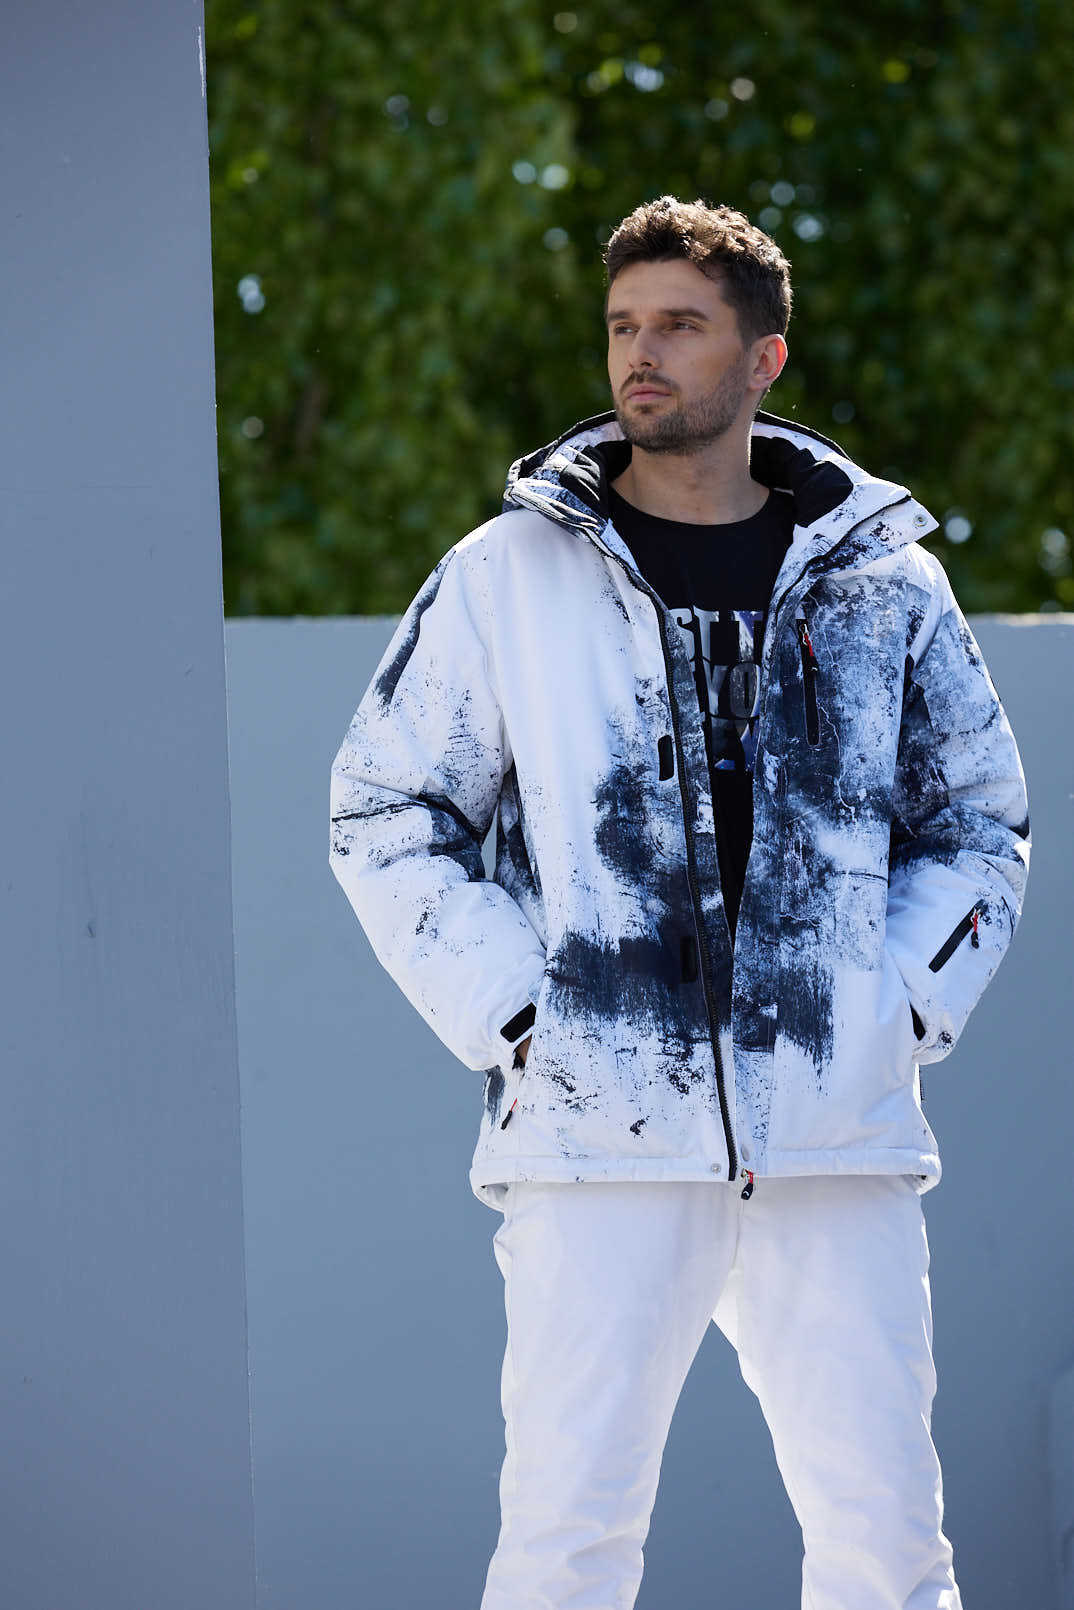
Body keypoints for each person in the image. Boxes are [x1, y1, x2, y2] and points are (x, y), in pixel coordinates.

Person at [329, 196, 1029, 1610]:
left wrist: (890, 1009)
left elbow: (977, 825)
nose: (638, 355)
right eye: (622, 326)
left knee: (889, 1548)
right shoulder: (507, 575)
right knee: (565, 1548)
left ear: (764, 358)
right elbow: (384, 812)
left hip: (833, 1137)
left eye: (679, 326)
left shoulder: (884, 584)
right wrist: (525, 1018)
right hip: (599, 1138)